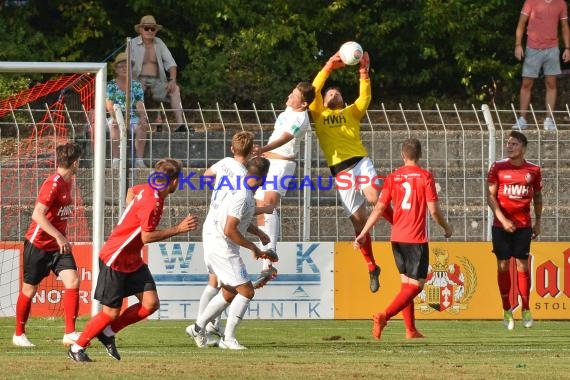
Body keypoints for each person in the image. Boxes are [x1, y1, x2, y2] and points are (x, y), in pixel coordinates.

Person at [67, 158, 199, 362]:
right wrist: (178, 229)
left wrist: (131, 211)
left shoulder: (148, 189)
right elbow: (147, 237)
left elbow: (131, 190)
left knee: (150, 303)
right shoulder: (152, 201)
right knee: (110, 312)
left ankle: (108, 333)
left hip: (132, 259)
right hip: (116, 257)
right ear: (174, 181)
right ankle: (77, 348)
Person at [309, 50, 392, 293]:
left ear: (343, 101)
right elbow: (312, 91)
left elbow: (365, 97)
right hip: (341, 172)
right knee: (359, 223)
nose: (333, 93)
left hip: (359, 161)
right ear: (323, 101)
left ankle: (401, 226)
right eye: (329, 93)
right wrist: (327, 67)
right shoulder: (319, 114)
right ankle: (372, 266)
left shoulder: (350, 113)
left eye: (338, 92)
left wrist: (363, 71)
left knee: (374, 197)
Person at [354, 138, 452, 340]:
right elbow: (433, 210)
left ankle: (410, 330)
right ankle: (384, 315)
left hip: (397, 238)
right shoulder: (425, 176)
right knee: (416, 286)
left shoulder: (393, 177)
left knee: (406, 285)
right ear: (420, 155)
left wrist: (363, 233)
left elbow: (380, 208)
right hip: (416, 239)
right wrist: (447, 227)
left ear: (402, 155)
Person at [191, 131, 273, 344]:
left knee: (226, 288)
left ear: (231, 148)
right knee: (244, 290)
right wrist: (254, 247)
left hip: (212, 229)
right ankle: (225, 336)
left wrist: (258, 232)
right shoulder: (242, 188)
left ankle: (199, 328)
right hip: (222, 240)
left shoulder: (226, 167)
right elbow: (232, 226)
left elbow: (208, 177)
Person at [13, 142, 83, 347]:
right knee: (29, 290)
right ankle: (19, 334)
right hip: (39, 244)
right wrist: (59, 236)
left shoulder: (69, 181)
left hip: (58, 246)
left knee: (73, 282)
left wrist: (60, 238)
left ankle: (69, 332)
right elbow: (37, 214)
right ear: (75, 162)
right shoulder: (53, 183)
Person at [251, 82, 316, 289]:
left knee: (269, 205)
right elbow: (312, 87)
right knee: (260, 210)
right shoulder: (290, 109)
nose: (290, 95)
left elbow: (287, 137)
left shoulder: (301, 117)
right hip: (269, 162)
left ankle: (270, 254)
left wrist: (264, 148)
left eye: (295, 95)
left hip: (281, 164)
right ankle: (267, 264)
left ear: (304, 103)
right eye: (292, 91)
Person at [487, 130, 541, 330]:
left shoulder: (533, 170)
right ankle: (506, 308)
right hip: (501, 226)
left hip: (523, 225)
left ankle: (526, 307)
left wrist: (539, 221)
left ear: (523, 148)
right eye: (508, 143)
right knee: (502, 266)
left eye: (514, 144)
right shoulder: (498, 167)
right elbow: (490, 197)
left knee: (522, 266)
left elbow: (538, 197)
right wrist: (502, 219)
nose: (509, 147)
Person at [513, 0, 570, 130]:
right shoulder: (531, 2)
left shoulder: (560, 3)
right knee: (526, 84)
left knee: (551, 84)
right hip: (532, 48)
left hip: (552, 49)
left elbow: (564, 26)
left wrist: (568, 48)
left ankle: (549, 120)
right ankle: (522, 119)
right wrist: (517, 45)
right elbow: (521, 23)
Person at [130, 15, 185, 131]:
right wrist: (133, 83)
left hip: (158, 82)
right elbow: (126, 66)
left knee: (175, 89)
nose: (150, 31)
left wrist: (172, 80)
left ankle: (181, 125)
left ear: (155, 31)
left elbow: (171, 63)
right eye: (146, 28)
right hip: (138, 80)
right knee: (137, 89)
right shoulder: (132, 43)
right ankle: (140, 124)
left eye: (152, 28)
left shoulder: (159, 43)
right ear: (140, 29)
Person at [107, 51, 149, 169]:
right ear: (116, 69)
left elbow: (140, 104)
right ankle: (115, 160)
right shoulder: (111, 85)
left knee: (142, 126)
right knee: (114, 125)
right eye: (121, 66)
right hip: (116, 115)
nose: (125, 68)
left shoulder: (136, 85)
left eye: (127, 66)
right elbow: (109, 105)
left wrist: (142, 117)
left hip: (132, 117)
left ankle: (139, 160)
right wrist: (116, 118)